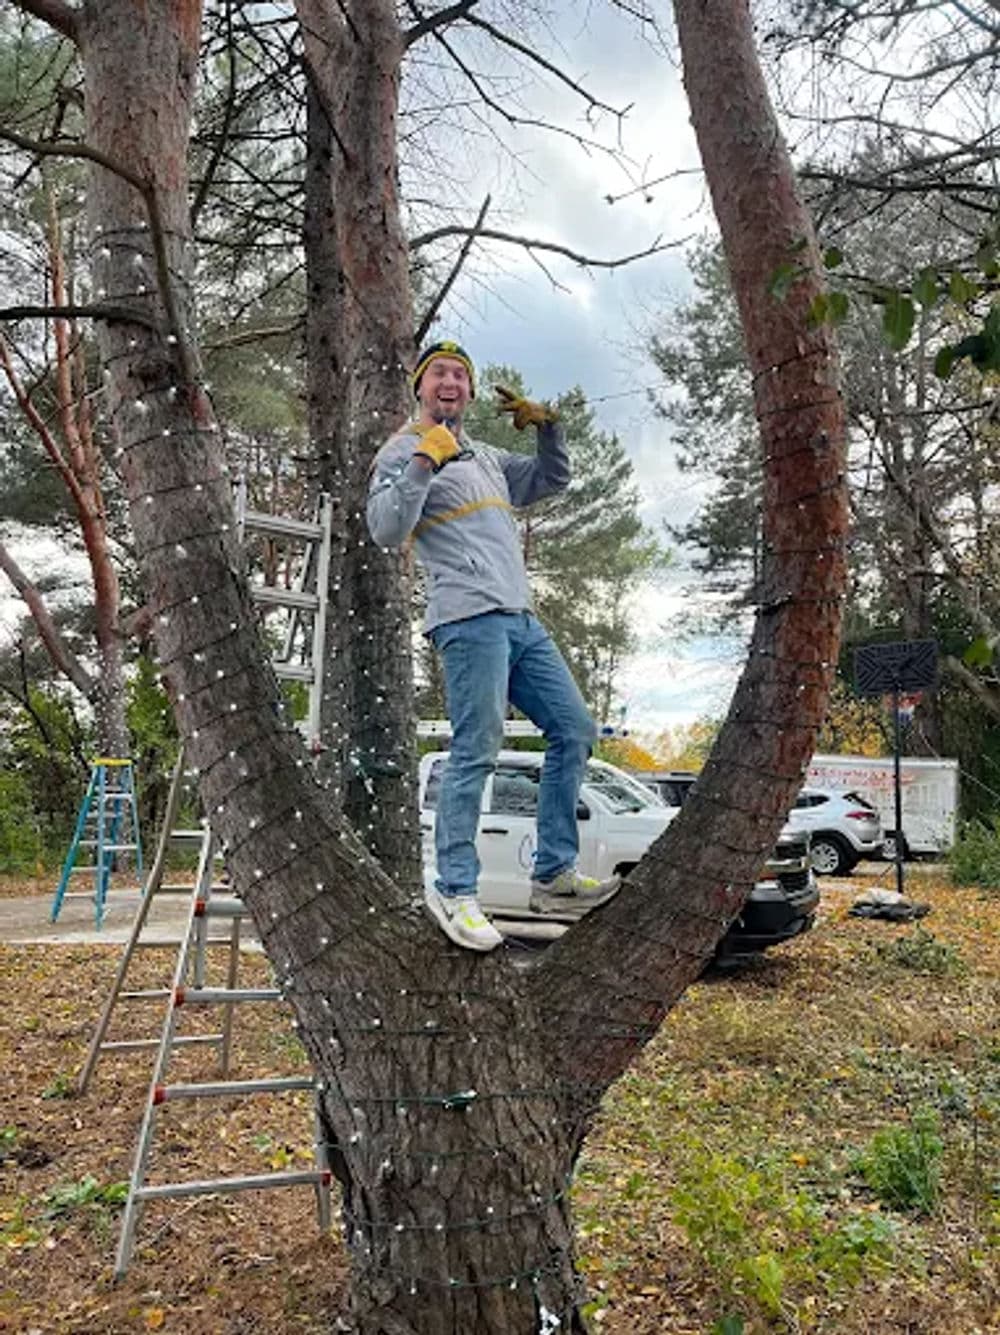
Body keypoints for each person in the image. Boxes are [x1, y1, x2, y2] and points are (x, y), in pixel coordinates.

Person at [366, 339, 621, 951]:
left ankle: (553, 874)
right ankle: (455, 889)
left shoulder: (486, 457)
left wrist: (550, 429)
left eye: (460, 375)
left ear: (471, 392)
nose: (450, 382)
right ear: (420, 388)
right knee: (477, 748)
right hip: (468, 617)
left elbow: (551, 478)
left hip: (520, 618)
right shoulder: (400, 450)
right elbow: (385, 529)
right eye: (438, 374)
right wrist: (424, 460)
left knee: (575, 730)